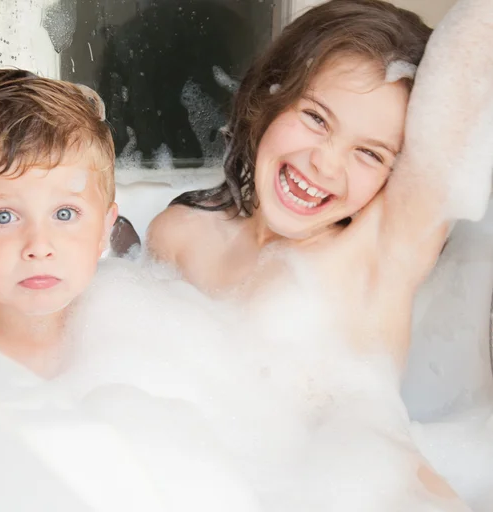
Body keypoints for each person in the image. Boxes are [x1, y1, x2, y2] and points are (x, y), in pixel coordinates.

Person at [147, 0, 493, 505]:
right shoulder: (179, 233)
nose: (324, 164)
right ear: (271, 98)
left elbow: (472, 51)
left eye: (370, 153)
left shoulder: (376, 256)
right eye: (316, 117)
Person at [0, 69, 118, 378]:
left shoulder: (125, 345)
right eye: (4, 216)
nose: (39, 247)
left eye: (65, 213)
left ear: (104, 231)